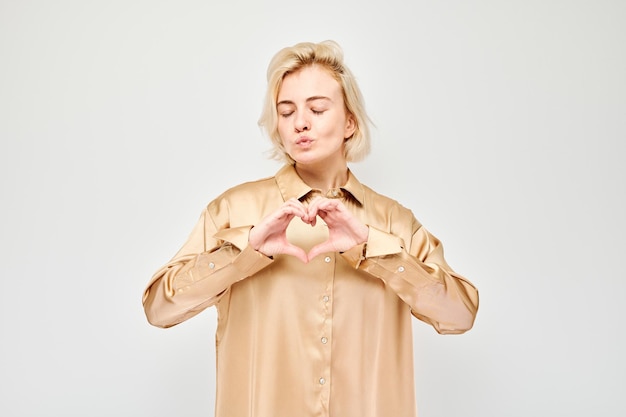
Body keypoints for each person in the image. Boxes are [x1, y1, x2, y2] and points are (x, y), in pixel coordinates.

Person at [142, 40, 479, 417]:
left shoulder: (393, 222)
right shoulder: (233, 211)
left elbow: (459, 315)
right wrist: (243, 252)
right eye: (286, 112)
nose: (300, 122)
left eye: (317, 108)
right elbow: (159, 308)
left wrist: (376, 250)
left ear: (350, 121)